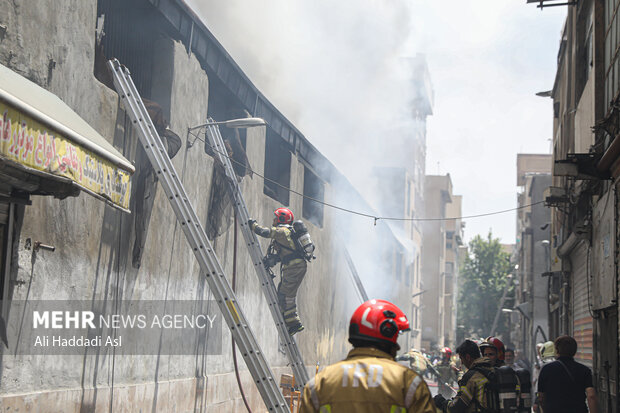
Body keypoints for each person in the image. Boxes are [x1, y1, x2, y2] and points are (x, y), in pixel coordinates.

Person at [299, 299, 436, 413]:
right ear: (386, 334)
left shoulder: (320, 383)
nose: (397, 347)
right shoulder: (409, 383)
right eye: (395, 339)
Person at [248, 207, 308, 335]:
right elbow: (288, 253)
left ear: (281, 219)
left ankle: (294, 324)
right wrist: (274, 259)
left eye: (276, 217)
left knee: (286, 295)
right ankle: (291, 322)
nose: (274, 220)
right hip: (294, 266)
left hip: (294, 267)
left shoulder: (282, 231)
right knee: (284, 292)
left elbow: (265, 232)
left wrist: (253, 225)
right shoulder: (288, 233)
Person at [537, 335, 598, 413]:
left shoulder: (546, 369)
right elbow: (591, 396)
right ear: (575, 351)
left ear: (556, 350)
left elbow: (541, 397)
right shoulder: (584, 370)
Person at [433, 339, 494, 412]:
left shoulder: (471, 376)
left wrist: (442, 403)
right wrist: (460, 374)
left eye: (462, 359)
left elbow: (456, 408)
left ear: (468, 357)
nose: (461, 362)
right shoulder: (491, 370)